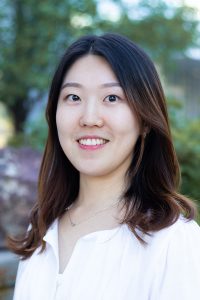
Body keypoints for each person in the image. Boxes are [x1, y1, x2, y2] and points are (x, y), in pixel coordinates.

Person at [10, 33, 200, 300]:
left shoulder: (172, 243)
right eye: (73, 97)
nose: (89, 118)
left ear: (145, 120)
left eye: (111, 98)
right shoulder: (41, 229)